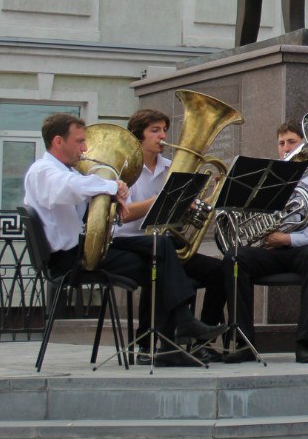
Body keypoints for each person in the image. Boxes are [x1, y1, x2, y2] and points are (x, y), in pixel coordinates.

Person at [23, 113, 224, 360]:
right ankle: (174, 336)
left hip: (82, 250)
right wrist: (112, 186)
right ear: (58, 142)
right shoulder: (43, 171)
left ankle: (172, 338)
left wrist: (110, 193)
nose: (85, 148)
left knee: (160, 249)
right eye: (79, 141)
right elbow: (70, 188)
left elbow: (79, 187)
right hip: (67, 260)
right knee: (159, 259)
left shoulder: (66, 171)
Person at [223, 120, 308, 364]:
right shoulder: (263, 180)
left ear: (307, 145)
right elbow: (238, 219)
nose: (286, 148)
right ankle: (244, 342)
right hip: (267, 252)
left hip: (300, 252)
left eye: (292, 142)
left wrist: (288, 239)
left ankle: (304, 343)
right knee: (234, 258)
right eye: (281, 143)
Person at [117, 109, 227, 340]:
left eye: (165, 130)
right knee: (157, 265)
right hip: (130, 242)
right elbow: (123, 215)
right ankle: (147, 342)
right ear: (138, 137)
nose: (162, 136)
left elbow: (187, 209)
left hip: (165, 243)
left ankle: (201, 338)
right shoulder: (124, 170)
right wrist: (159, 201)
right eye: (154, 130)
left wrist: (213, 197)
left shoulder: (173, 168)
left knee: (220, 271)